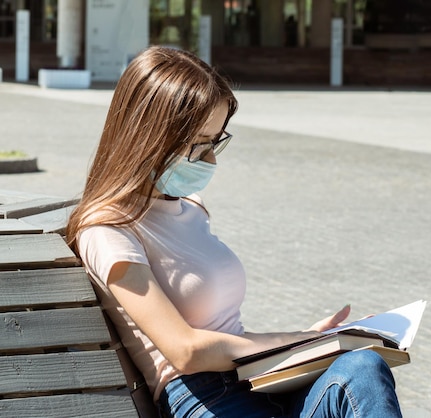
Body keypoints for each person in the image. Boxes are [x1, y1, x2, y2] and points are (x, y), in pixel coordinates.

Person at [65, 46, 403, 418]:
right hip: (204, 399)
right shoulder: (109, 229)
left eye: (217, 142)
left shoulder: (189, 208)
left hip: (256, 381)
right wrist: (303, 342)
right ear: (150, 137)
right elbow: (185, 350)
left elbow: (227, 334)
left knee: (362, 367)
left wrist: (313, 345)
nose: (211, 160)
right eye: (200, 145)